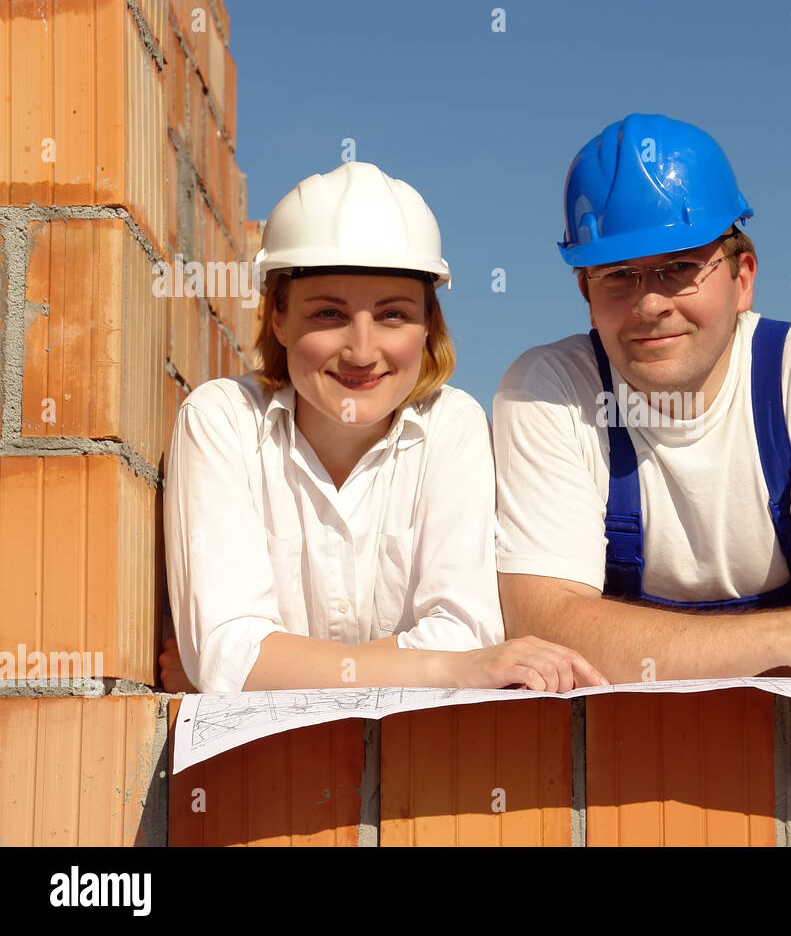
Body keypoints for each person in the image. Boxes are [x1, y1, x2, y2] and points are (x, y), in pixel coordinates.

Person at [492, 114, 791, 684]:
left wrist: (622, 641)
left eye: (679, 267)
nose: (650, 305)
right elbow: (545, 635)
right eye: (617, 275)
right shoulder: (548, 392)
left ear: (743, 278)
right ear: (586, 293)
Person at [161, 161, 605, 694]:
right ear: (278, 318)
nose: (363, 351)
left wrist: (271, 663)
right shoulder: (220, 422)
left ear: (426, 326)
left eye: (393, 315)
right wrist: (444, 669)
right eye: (329, 314)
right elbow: (229, 656)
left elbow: (465, 634)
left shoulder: (453, 428)